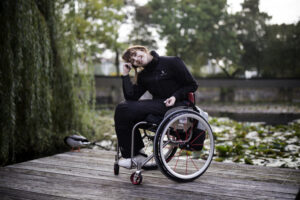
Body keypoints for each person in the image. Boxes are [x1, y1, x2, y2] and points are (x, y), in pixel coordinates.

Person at [114, 45, 198, 168]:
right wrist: (125, 75)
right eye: (132, 60)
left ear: (142, 50)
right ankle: (135, 155)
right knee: (124, 110)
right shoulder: (143, 76)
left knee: (123, 108)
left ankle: (134, 156)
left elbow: (192, 85)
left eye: (135, 54)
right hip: (160, 106)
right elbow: (131, 98)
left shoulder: (172, 62)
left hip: (179, 104)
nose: (136, 59)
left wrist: (175, 96)